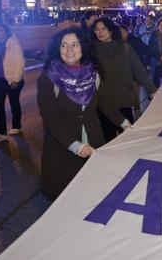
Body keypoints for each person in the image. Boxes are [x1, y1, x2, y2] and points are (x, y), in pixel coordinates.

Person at [37, 28, 130, 199]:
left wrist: (125, 124)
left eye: (75, 44)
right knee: (66, 198)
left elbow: (104, 103)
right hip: (62, 148)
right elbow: (51, 120)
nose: (69, 50)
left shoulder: (92, 74)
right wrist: (76, 146)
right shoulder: (48, 78)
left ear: (83, 48)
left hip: (93, 141)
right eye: (64, 45)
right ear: (57, 49)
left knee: (95, 195)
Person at [92, 17, 157, 142]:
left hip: (124, 99)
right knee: (109, 140)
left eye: (103, 29)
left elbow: (138, 69)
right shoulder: (92, 51)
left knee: (127, 140)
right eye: (97, 29)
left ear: (111, 30)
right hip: (105, 103)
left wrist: (152, 90)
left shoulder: (124, 46)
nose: (100, 32)